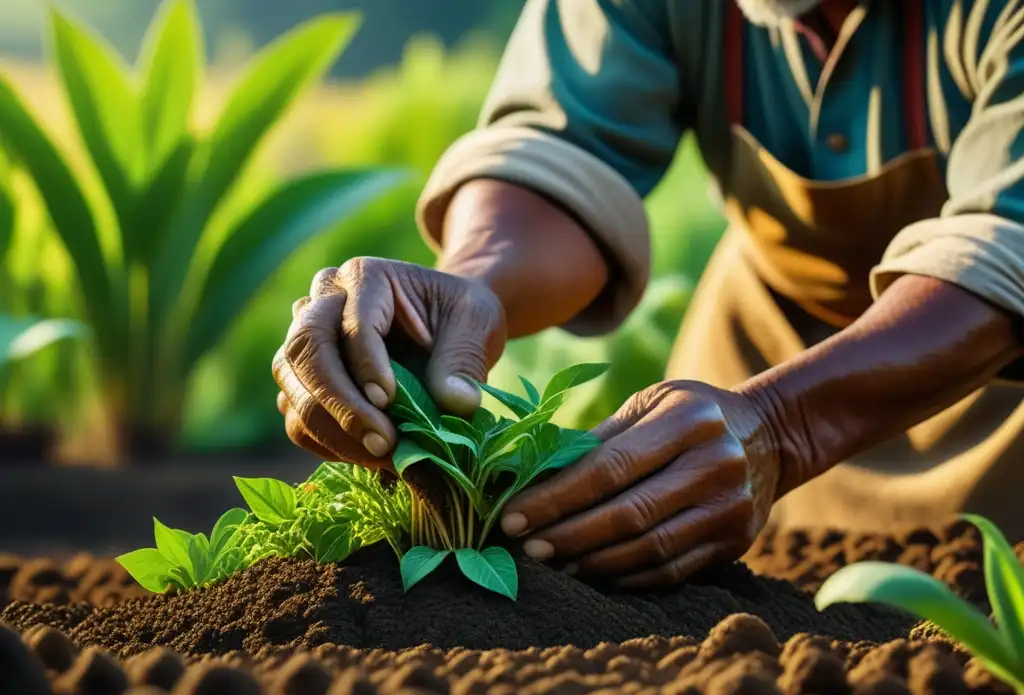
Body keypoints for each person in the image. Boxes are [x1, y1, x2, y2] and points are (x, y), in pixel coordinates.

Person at [273, 0, 1024, 587]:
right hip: (759, 348)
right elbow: (566, 146)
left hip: (991, 390)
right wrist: (472, 281)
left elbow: (1010, 237)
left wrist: (785, 425)